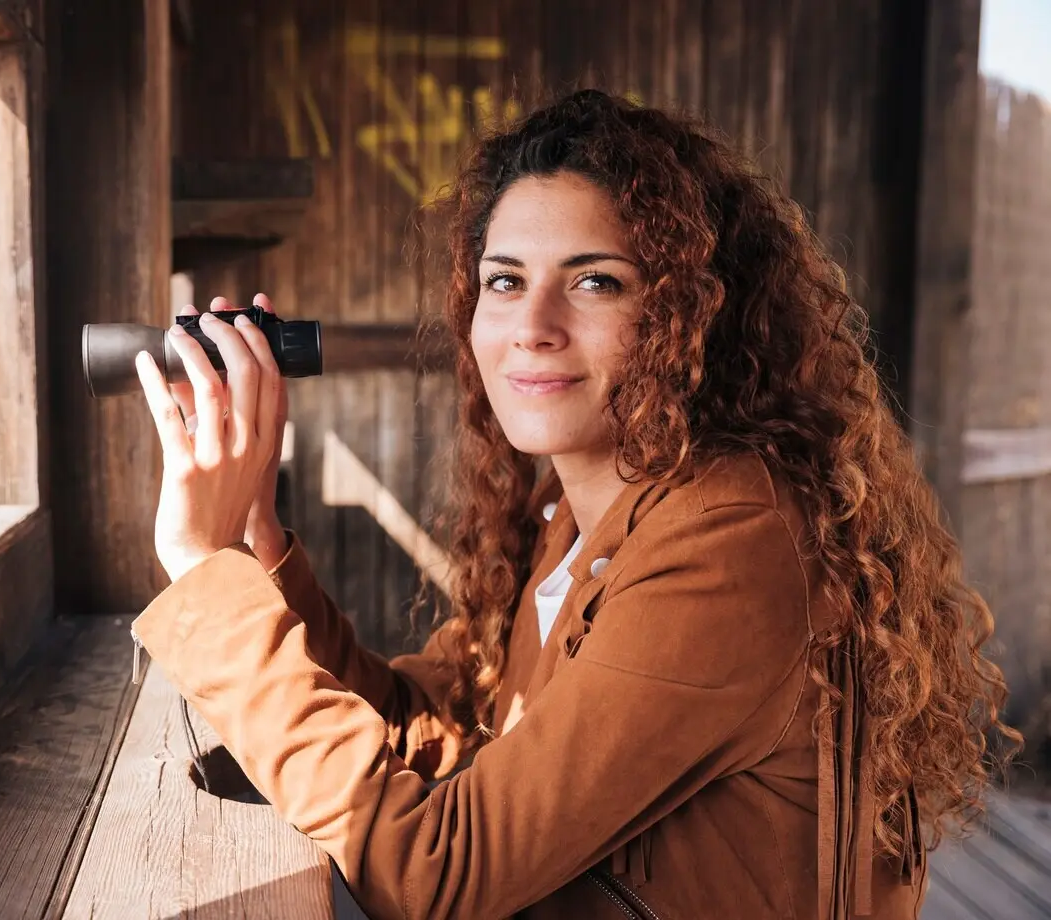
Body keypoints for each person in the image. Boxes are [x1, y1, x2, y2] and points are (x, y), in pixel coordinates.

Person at [127, 89, 1018, 919]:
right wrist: (255, 539)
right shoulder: (574, 517)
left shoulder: (730, 543)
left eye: (596, 281)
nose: (532, 324)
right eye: (505, 279)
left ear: (691, 316)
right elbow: (426, 729)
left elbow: (439, 873)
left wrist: (203, 571)